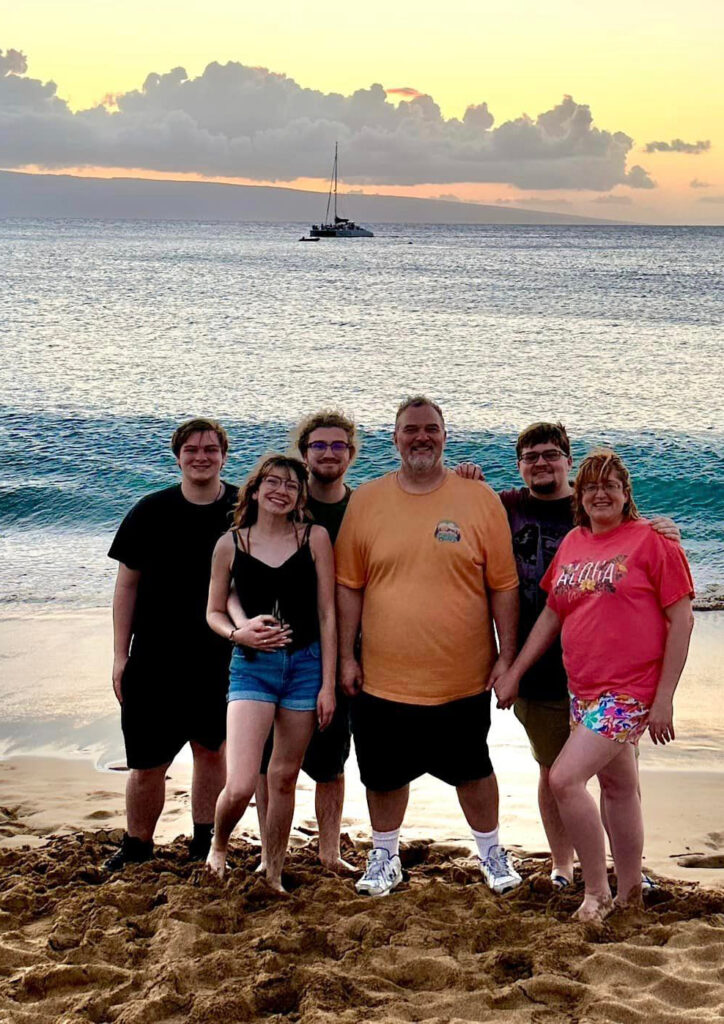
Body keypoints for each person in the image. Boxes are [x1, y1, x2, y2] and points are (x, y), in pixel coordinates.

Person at [459, 422, 680, 889]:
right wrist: (513, 666)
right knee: (577, 775)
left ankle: (608, 883)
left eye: (551, 454)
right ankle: (592, 875)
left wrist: (664, 697)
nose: (541, 462)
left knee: (578, 777)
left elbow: (678, 613)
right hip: (562, 678)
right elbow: (552, 611)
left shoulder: (641, 535)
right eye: (531, 456)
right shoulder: (537, 522)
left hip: (624, 685)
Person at [335, 396, 522, 897]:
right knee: (382, 773)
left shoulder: (479, 500)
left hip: (461, 677)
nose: (422, 437)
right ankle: (384, 856)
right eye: (411, 430)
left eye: (431, 429)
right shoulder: (367, 500)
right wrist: (346, 657)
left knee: (474, 769)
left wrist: (507, 657)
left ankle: (491, 853)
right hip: (382, 677)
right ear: (395, 439)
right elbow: (349, 585)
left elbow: (503, 585)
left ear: (445, 435)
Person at [106, 417, 236, 870]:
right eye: (192, 449)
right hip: (154, 656)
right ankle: (137, 846)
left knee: (212, 750)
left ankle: (205, 841)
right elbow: (126, 587)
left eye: (210, 449)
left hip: (221, 655)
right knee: (146, 762)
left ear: (224, 454)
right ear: (178, 455)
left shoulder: (243, 508)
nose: (201, 457)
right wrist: (120, 656)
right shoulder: (150, 511)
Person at [205, 455, 336, 891]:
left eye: (292, 486)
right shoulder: (231, 544)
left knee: (283, 777)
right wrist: (237, 634)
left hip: (305, 665)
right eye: (273, 482)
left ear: (300, 497)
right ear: (256, 490)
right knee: (241, 784)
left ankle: (273, 870)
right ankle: (219, 845)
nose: (282, 490)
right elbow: (214, 610)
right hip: (252, 668)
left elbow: (327, 613)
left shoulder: (314, 537)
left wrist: (328, 685)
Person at [251, 412, 358, 874]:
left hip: (343, 649)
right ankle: (266, 853)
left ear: (351, 453)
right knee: (266, 761)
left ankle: (329, 851)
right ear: (305, 453)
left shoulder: (363, 506)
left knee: (331, 759)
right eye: (319, 445)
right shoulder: (284, 504)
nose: (329, 453)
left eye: (338, 445)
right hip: (274, 650)